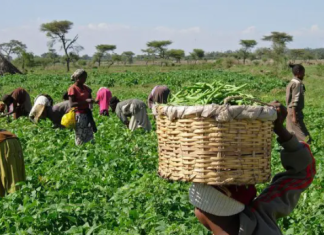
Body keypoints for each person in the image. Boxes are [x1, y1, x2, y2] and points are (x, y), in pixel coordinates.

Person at [189, 101, 316, 235]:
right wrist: (279, 129)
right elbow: (303, 173)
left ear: (204, 212)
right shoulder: (260, 215)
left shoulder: (259, 215)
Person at [68, 69, 96, 145]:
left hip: (87, 113)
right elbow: (72, 104)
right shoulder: (72, 88)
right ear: (77, 78)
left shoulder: (86, 88)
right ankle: (79, 152)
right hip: (79, 115)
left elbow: (89, 95)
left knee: (90, 134)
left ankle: (90, 151)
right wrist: (86, 101)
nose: (85, 79)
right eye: (83, 78)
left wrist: (93, 101)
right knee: (80, 135)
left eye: (86, 77)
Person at [286, 64, 312, 144]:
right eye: (303, 72)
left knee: (291, 133)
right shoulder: (297, 84)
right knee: (304, 136)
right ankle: (310, 148)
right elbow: (294, 101)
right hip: (294, 112)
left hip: (290, 111)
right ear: (298, 72)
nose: (304, 74)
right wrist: (294, 116)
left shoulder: (292, 82)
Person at [0, 129, 26, 197]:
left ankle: (16, 199)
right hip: (13, 141)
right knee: (14, 173)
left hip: (3, 144)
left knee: (10, 174)